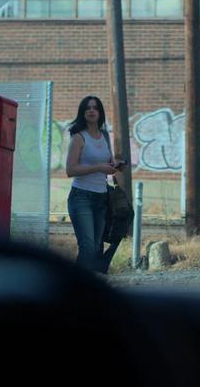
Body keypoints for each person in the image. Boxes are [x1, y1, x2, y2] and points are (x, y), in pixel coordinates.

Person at [65, 96, 125, 272]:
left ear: (100, 113)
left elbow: (109, 162)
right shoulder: (78, 137)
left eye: (95, 108)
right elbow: (70, 170)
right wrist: (99, 167)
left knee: (97, 246)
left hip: (102, 198)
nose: (92, 110)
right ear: (83, 113)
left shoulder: (104, 135)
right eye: (88, 108)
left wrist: (116, 166)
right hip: (81, 197)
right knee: (88, 246)